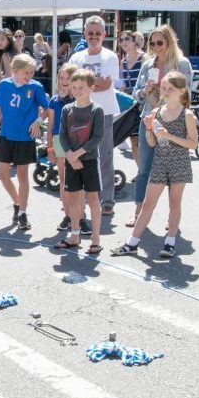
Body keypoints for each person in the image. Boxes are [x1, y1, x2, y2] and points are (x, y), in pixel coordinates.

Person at [112, 71, 197, 257]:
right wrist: (150, 129)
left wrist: (168, 135)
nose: (166, 92)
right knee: (148, 203)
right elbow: (152, 143)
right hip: (160, 161)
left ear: (182, 91)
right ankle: (131, 243)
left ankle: (170, 242)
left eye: (170, 89)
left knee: (174, 203)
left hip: (179, 162)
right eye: (164, 88)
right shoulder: (156, 112)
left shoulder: (187, 115)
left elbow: (192, 143)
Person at [128, 24, 193, 227]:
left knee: (173, 171)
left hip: (174, 122)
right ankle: (139, 211)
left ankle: (172, 219)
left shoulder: (181, 64)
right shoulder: (148, 65)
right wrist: (146, 90)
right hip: (149, 119)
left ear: (169, 42)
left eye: (160, 43)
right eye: (152, 43)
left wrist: (168, 91)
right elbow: (135, 95)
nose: (156, 47)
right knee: (144, 168)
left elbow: (187, 94)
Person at [0, 54, 48, 230]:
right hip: (6, 135)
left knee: (22, 176)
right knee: (3, 174)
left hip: (25, 137)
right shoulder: (5, 85)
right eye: (26, 72)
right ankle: (17, 203)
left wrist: (38, 121)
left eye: (31, 72)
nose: (29, 76)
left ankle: (22, 212)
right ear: (15, 70)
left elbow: (46, 108)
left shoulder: (35, 87)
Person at [69, 15, 121, 217]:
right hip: (80, 113)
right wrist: (94, 83)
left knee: (104, 156)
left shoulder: (110, 57)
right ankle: (83, 198)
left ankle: (107, 200)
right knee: (81, 155)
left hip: (104, 112)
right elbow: (75, 86)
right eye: (90, 33)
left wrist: (85, 84)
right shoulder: (76, 58)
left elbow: (107, 84)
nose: (94, 37)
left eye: (97, 33)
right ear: (85, 34)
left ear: (104, 35)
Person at [54, 69, 105, 254]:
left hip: (89, 160)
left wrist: (78, 154)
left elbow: (97, 137)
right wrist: (69, 155)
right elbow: (62, 135)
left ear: (91, 88)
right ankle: (75, 234)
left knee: (92, 199)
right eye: (74, 87)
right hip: (72, 161)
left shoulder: (96, 110)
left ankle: (95, 239)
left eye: (81, 87)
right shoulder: (67, 109)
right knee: (74, 199)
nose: (77, 90)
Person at [47, 63, 90, 234]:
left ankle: (80, 217)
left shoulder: (80, 100)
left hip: (77, 141)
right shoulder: (54, 100)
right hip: (59, 140)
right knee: (64, 180)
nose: (64, 81)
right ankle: (67, 215)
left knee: (79, 182)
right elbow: (50, 125)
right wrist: (49, 146)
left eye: (68, 78)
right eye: (61, 78)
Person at [119, 30, 145, 167]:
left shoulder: (145, 58)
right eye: (121, 40)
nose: (124, 42)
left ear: (135, 41)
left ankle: (150, 173)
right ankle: (141, 172)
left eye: (127, 39)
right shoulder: (123, 62)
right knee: (134, 139)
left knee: (146, 140)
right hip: (132, 105)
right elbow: (122, 85)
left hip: (145, 102)